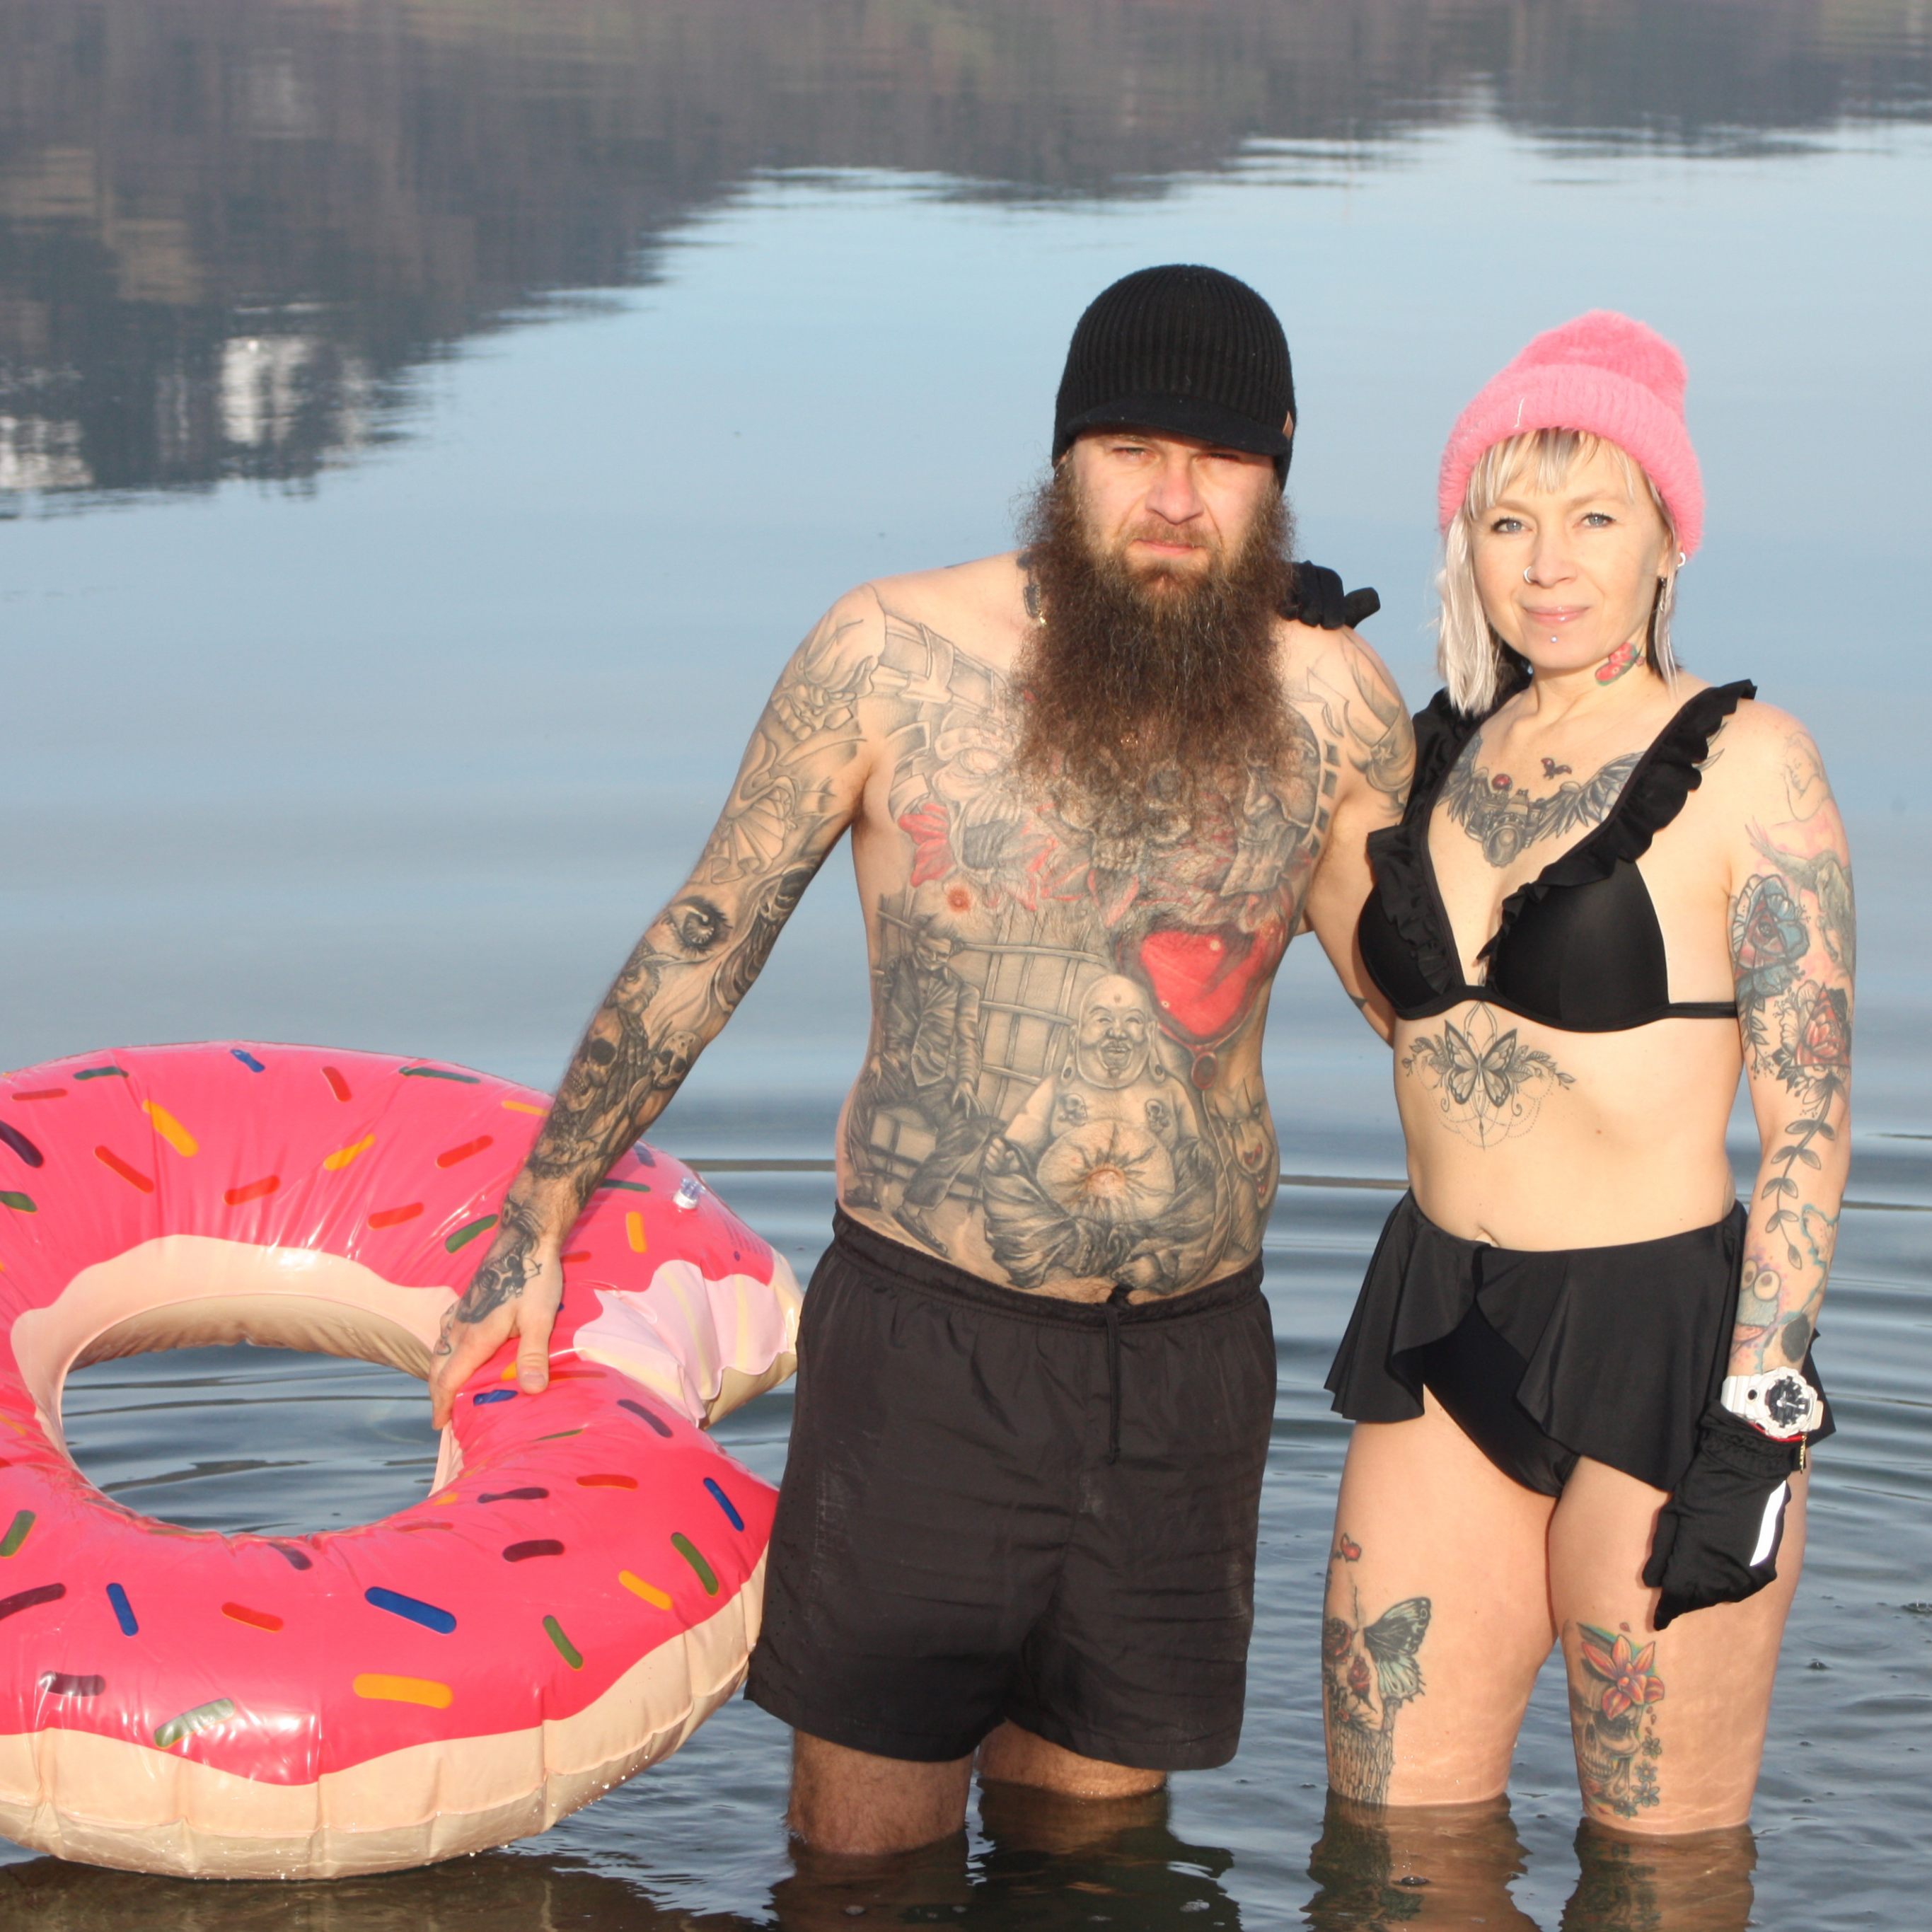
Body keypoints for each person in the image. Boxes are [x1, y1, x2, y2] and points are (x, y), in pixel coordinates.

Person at [427, 263, 1413, 1853]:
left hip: (1182, 1372)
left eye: (1221, 461)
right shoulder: (887, 655)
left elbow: (1417, 1004)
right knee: (859, 1868)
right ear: (1062, 458)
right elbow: (711, 930)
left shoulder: (1331, 704)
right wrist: (538, 1215)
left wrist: (1460, 757)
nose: (1173, 497)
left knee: (1098, 1870)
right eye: (1132, 449)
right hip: (930, 1357)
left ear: (1277, 481)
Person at [1324, 313, 1851, 1833]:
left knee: (1659, 1872)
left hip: (1668, 1348)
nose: (1548, 562)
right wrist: (1276, 667)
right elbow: (1400, 1009)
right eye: (1507, 520)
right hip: (1439, 1323)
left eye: (1593, 517)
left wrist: (1761, 1414)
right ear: (1463, 547)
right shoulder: (1420, 763)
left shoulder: (1751, 765)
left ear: (1665, 541)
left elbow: (1807, 1122)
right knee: (1390, 1853)